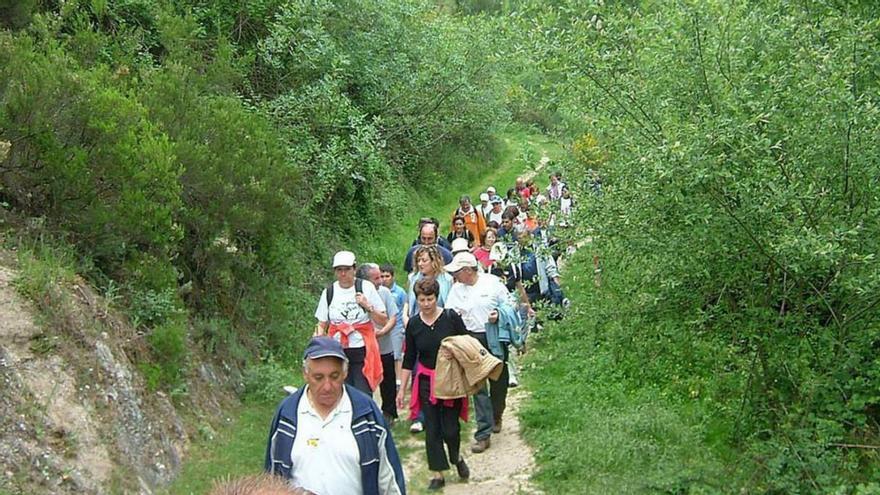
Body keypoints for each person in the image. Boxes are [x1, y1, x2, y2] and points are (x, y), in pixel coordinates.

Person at [265, 337, 406, 495]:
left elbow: (389, 479)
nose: (327, 386)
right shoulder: (287, 413)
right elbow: (272, 479)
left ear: (345, 373)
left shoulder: (366, 413)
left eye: (334, 376)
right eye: (318, 378)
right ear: (305, 374)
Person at [396, 278, 470, 491]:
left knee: (450, 429)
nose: (426, 304)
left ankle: (456, 457)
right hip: (427, 381)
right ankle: (437, 473)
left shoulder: (451, 318)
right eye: (422, 300)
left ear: (437, 298)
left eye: (430, 299)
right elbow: (409, 357)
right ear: (416, 299)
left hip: (450, 381)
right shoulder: (414, 325)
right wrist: (402, 389)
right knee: (432, 430)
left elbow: (467, 345)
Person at [443, 252, 514, 453]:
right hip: (471, 339)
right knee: (478, 386)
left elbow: (510, 304)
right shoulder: (456, 290)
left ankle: (497, 412)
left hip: (493, 337)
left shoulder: (493, 283)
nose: (455, 276)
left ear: (467, 271)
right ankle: (483, 433)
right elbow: (449, 314)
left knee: (499, 379)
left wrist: (499, 314)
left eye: (457, 271)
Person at [314, 251, 387, 395]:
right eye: (339, 270)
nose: (343, 274)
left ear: (354, 269)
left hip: (362, 349)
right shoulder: (329, 292)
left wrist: (368, 306)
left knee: (362, 393)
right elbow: (321, 324)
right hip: (337, 350)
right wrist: (316, 344)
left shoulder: (366, 288)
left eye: (346, 269)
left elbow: (382, 320)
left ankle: (364, 417)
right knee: (339, 393)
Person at [358, 263, 400, 423]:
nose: (381, 281)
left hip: (384, 345)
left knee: (388, 380)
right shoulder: (357, 295)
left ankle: (389, 413)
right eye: (376, 278)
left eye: (381, 276)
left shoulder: (385, 292)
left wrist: (383, 332)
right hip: (364, 348)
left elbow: (393, 317)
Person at [380, 263, 408, 393]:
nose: (385, 279)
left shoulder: (400, 292)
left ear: (393, 277)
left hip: (396, 327)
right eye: (382, 276)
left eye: (387, 276)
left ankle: (398, 381)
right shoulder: (378, 292)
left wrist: (403, 327)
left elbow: (403, 310)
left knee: (396, 355)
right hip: (382, 326)